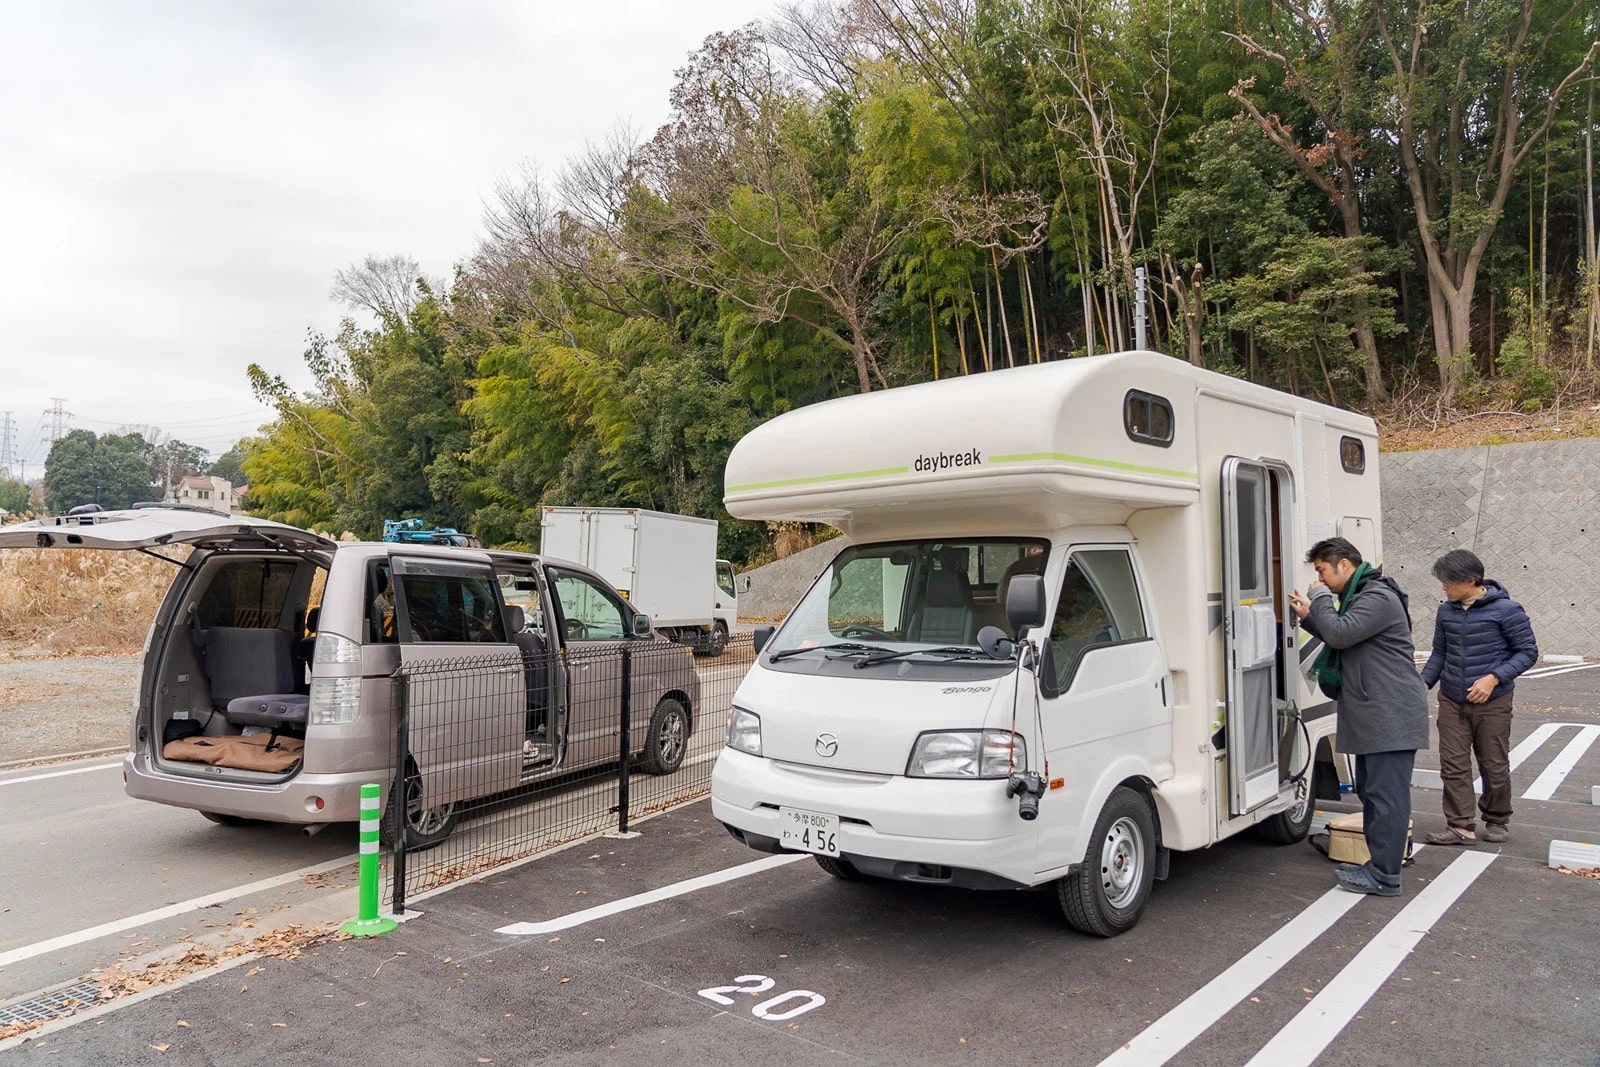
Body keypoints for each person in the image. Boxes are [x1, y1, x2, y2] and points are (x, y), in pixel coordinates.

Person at [1288, 537, 1429, 897]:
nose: (1319, 578)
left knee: (1387, 796)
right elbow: (1343, 637)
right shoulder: (1364, 596)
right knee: (1372, 790)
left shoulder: (1377, 596)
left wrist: (1318, 600)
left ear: (1344, 566)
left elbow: (1340, 632)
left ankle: (1385, 875)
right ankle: (1380, 865)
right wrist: (1309, 616)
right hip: (1377, 712)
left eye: (1321, 570)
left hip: (1390, 714)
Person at [1418, 549, 1538, 846]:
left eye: (1448, 582)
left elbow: (1527, 652)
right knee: (1453, 764)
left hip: (1493, 701)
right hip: (1452, 699)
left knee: (1493, 763)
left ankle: (1497, 819)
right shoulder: (1447, 610)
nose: (1444, 587)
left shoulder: (1507, 610)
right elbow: (1440, 653)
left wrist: (1494, 677)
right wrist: (1424, 682)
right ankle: (1460, 825)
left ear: (1471, 581)